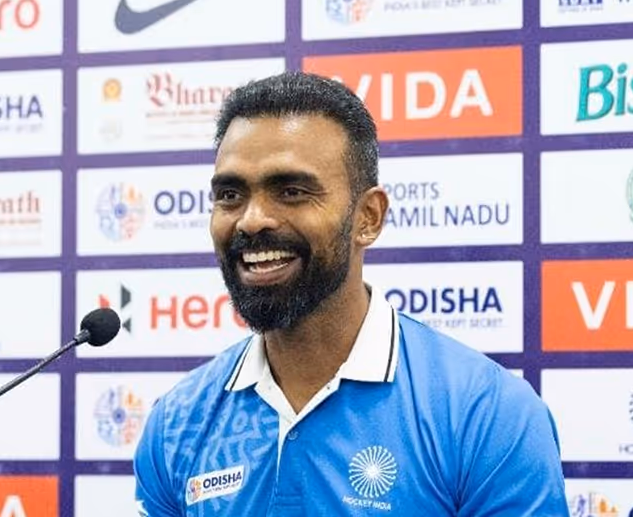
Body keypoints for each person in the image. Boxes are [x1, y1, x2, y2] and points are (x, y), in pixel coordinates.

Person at [132, 72, 570, 516]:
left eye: (291, 191)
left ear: (369, 217)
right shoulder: (178, 423)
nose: (251, 220)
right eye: (230, 195)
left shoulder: (488, 416)